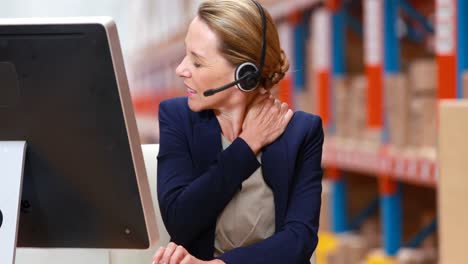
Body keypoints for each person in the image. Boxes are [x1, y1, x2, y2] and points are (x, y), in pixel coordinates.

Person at [153, 0, 323, 263]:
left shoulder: (301, 132)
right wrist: (246, 145)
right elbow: (180, 221)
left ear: (245, 74)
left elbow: (299, 239)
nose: (181, 69)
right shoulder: (177, 118)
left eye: (197, 63)